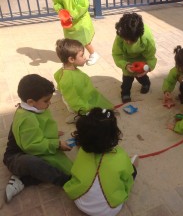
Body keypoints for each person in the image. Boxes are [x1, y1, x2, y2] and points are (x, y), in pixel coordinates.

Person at [2, 74, 73, 203]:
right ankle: (65, 181)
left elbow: (40, 128)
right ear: (30, 102)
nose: (49, 103)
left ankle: (25, 178)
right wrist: (56, 145)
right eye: (46, 101)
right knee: (38, 165)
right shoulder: (26, 119)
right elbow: (31, 145)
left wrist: (51, 133)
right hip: (17, 156)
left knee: (48, 165)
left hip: (34, 147)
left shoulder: (36, 107)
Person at [63, 107, 137, 216]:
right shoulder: (120, 156)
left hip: (79, 202)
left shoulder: (82, 152)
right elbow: (126, 180)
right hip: (109, 210)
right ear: (113, 134)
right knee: (132, 171)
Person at [54, 38, 114, 124]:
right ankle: (77, 116)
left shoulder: (64, 71)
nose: (85, 58)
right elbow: (74, 101)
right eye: (82, 55)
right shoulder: (68, 80)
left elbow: (59, 83)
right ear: (71, 59)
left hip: (81, 96)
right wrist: (84, 109)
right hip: (79, 104)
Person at [112, 12, 157, 103]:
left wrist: (148, 67)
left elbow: (151, 56)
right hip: (127, 59)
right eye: (125, 39)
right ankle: (125, 93)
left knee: (141, 76)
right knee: (127, 79)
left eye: (131, 40)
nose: (128, 42)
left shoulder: (147, 38)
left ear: (138, 36)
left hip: (141, 59)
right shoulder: (121, 34)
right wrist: (125, 65)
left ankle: (146, 83)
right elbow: (117, 54)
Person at [53, 0, 99, 66]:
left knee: (85, 40)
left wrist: (73, 14)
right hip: (68, 21)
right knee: (71, 42)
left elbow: (84, 5)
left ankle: (93, 54)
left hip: (81, 21)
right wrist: (61, 10)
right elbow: (57, 2)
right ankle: (74, 57)